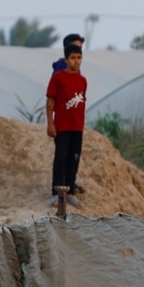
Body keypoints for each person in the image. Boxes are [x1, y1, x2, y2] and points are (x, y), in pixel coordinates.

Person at [47, 43, 87, 207]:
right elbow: (50, 102)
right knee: (61, 159)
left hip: (77, 127)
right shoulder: (58, 78)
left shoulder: (83, 81)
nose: (76, 61)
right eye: (72, 58)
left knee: (74, 159)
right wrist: (50, 123)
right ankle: (57, 193)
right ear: (66, 59)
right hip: (62, 126)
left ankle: (70, 191)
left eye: (79, 58)